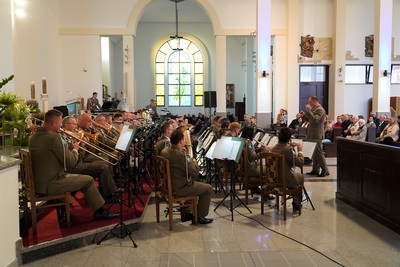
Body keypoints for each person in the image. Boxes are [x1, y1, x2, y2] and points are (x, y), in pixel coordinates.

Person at [28, 109, 118, 220]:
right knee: (88, 181)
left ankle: (66, 213)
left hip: (40, 182)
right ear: (54, 123)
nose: (61, 126)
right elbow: (70, 162)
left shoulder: (33, 138)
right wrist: (75, 149)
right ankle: (100, 211)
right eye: (61, 123)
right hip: (52, 182)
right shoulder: (53, 137)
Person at [160, 130, 213, 224]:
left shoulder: (165, 151)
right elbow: (195, 172)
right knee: (207, 189)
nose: (185, 142)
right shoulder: (180, 156)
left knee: (194, 183)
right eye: (184, 140)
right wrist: (194, 162)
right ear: (180, 141)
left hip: (168, 185)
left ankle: (187, 213)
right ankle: (200, 217)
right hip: (179, 188)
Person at [62, 116, 120, 203]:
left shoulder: (74, 134)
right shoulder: (65, 138)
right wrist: (81, 146)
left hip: (80, 160)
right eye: (74, 124)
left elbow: (87, 151)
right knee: (104, 164)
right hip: (76, 164)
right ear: (66, 125)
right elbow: (76, 158)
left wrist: (87, 142)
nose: (76, 126)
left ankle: (109, 189)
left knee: (105, 161)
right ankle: (107, 194)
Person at [270, 128, 304, 213]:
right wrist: (300, 151)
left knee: (295, 176)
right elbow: (300, 163)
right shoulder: (288, 149)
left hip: (274, 178)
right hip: (284, 178)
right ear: (289, 139)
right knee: (300, 177)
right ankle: (296, 203)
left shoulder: (274, 148)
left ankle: (295, 200)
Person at [301, 96, 330, 177]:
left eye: (310, 102)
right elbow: (309, 119)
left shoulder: (320, 109)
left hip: (317, 135)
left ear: (315, 101)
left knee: (319, 153)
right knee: (314, 153)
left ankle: (325, 170)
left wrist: (309, 111)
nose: (309, 104)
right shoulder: (314, 109)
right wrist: (303, 115)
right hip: (312, 134)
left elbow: (315, 120)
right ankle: (315, 170)